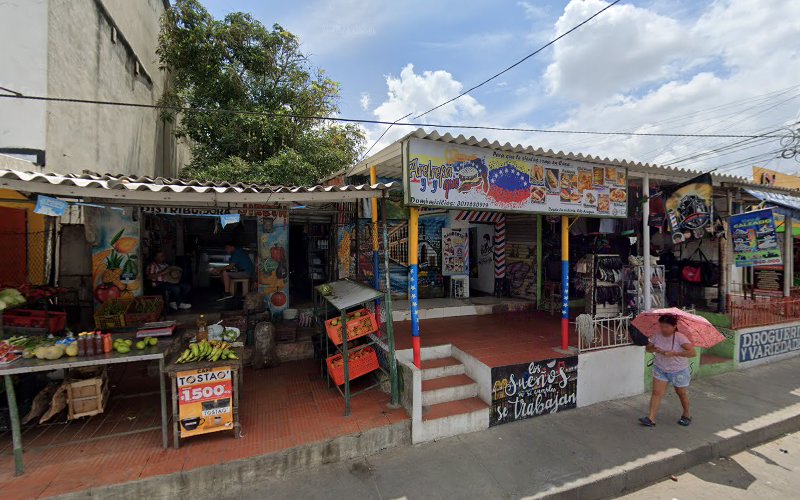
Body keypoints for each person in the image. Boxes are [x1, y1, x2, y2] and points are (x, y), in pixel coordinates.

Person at [639, 314, 696, 427]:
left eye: (666, 327)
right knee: (656, 393)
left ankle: (686, 414)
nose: (663, 329)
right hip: (660, 368)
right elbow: (648, 349)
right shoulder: (657, 335)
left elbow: (692, 353)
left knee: (681, 393)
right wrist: (655, 349)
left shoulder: (680, 337)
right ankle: (651, 418)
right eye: (661, 326)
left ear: (674, 326)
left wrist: (675, 353)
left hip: (678, 370)